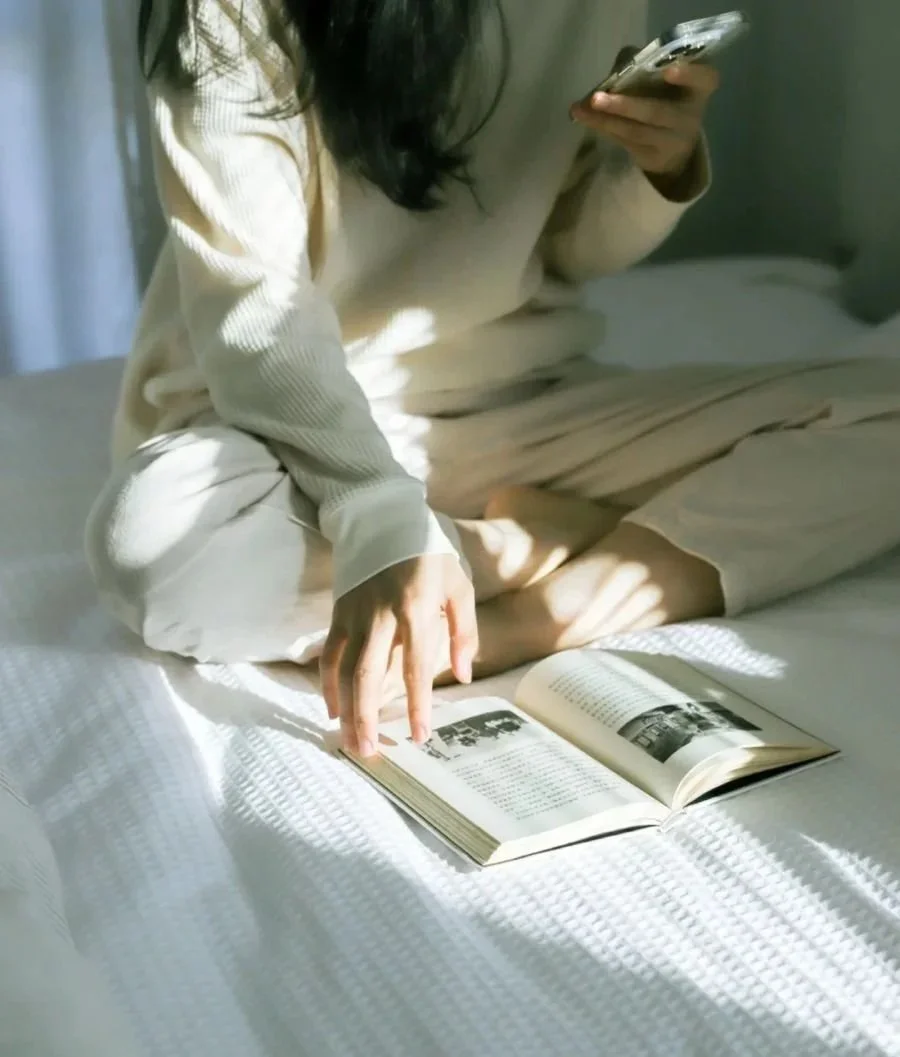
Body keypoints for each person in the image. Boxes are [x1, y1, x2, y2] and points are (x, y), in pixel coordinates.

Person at [87, 0, 900, 760]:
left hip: (514, 407)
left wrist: (656, 168)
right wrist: (376, 505)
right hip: (269, 426)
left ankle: (525, 622)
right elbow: (254, 308)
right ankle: (523, 542)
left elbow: (566, 251)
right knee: (151, 542)